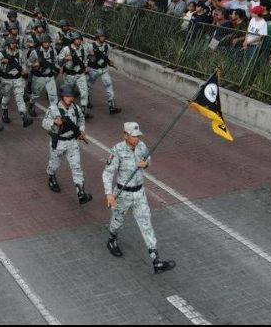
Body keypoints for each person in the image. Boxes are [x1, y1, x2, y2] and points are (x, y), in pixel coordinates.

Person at [103, 122, 176, 274]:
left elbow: (148, 159)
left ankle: (156, 260)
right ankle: (112, 239)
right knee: (117, 221)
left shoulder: (142, 146)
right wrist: (109, 194)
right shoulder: (117, 150)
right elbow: (108, 173)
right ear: (126, 135)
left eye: (137, 136)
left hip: (139, 193)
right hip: (123, 193)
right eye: (133, 136)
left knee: (146, 224)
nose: (136, 139)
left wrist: (146, 164)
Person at [41, 85, 92, 205]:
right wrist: (54, 121)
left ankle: (81, 193)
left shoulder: (75, 108)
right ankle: (51, 177)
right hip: (58, 142)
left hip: (72, 142)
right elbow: (44, 123)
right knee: (54, 164)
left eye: (72, 96)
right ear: (62, 97)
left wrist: (82, 131)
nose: (70, 98)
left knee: (77, 167)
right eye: (67, 96)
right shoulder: (53, 109)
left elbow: (81, 121)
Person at [0, 36, 33, 128]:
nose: (14, 44)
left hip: (17, 78)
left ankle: (24, 117)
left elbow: (23, 63)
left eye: (15, 43)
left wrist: (24, 70)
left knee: (20, 97)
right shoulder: (2, 54)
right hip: (6, 80)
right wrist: (1, 62)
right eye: (12, 43)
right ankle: (5, 111)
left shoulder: (20, 53)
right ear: (8, 44)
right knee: (6, 97)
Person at [87, 29, 122, 115]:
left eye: (104, 36)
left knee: (109, 84)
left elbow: (106, 57)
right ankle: (86, 101)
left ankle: (112, 107)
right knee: (89, 85)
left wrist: (109, 62)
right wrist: (92, 59)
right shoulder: (91, 46)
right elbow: (87, 57)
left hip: (104, 69)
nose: (103, 37)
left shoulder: (107, 46)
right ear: (97, 37)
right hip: (94, 69)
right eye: (101, 36)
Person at [59, 32, 93, 118]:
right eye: (76, 39)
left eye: (79, 39)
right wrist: (65, 58)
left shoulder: (83, 49)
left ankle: (83, 112)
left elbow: (85, 59)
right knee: (67, 94)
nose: (78, 41)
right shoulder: (66, 49)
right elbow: (58, 60)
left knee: (84, 93)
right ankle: (63, 111)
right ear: (73, 40)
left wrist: (85, 67)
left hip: (80, 74)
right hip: (69, 75)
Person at [28, 34, 59, 116]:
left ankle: (54, 112)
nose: (47, 44)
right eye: (45, 42)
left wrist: (56, 67)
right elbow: (28, 63)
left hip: (50, 76)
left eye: (48, 42)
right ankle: (31, 106)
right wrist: (34, 64)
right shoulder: (35, 52)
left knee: (53, 95)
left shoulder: (53, 51)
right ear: (41, 42)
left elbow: (56, 61)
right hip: (38, 77)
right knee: (35, 94)